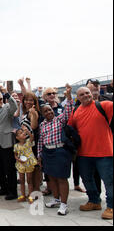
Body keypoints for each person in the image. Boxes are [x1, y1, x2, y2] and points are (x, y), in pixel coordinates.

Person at [68, 87, 113, 220]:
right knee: (87, 179)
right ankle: (94, 201)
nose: (86, 95)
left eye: (87, 93)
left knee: (109, 181)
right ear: (78, 98)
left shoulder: (103, 105)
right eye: (82, 94)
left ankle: (111, 206)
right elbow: (70, 128)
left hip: (105, 152)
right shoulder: (75, 111)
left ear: (92, 94)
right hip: (84, 153)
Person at [38, 85, 73, 215]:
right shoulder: (42, 125)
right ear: (43, 114)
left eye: (50, 111)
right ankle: (56, 199)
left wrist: (69, 97)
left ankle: (64, 204)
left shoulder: (59, 120)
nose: (49, 113)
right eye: (46, 111)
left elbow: (68, 111)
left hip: (60, 151)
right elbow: (41, 141)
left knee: (62, 178)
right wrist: (39, 155)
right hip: (48, 152)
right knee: (51, 177)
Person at [0, 88, 18, 200]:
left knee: (9, 169)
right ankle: (3, 188)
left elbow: (15, 106)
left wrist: (7, 94)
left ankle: (13, 192)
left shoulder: (7, 108)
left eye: (0, 99)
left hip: (6, 142)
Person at [14, 127, 37, 204]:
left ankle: (30, 195)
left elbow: (32, 137)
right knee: (22, 180)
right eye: (20, 133)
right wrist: (18, 159)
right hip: (21, 164)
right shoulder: (16, 146)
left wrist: (28, 131)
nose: (23, 133)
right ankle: (23, 195)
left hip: (29, 164)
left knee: (29, 180)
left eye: (23, 132)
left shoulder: (28, 142)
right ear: (17, 137)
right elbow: (16, 155)